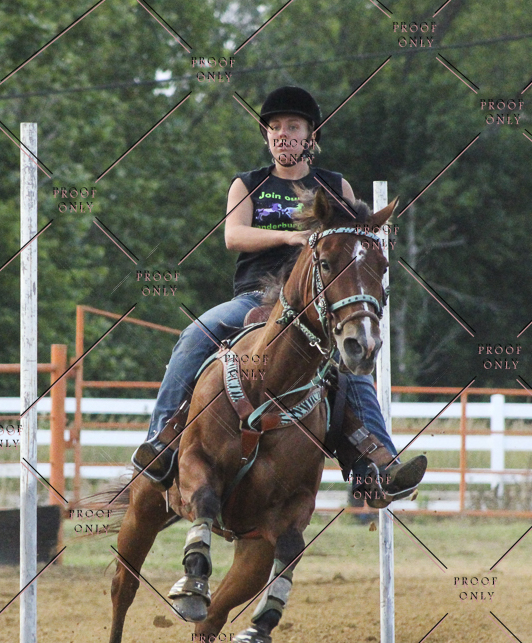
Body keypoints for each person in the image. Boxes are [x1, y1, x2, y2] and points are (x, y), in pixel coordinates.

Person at [132, 86, 426, 504]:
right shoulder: (248, 184)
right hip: (254, 299)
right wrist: (289, 236)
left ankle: (378, 464)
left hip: (316, 307)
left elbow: (354, 240)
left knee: (350, 365)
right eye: (274, 127)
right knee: (195, 335)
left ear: (311, 136)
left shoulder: (334, 185)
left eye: (293, 127)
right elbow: (233, 235)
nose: (282, 134)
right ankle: (161, 442)